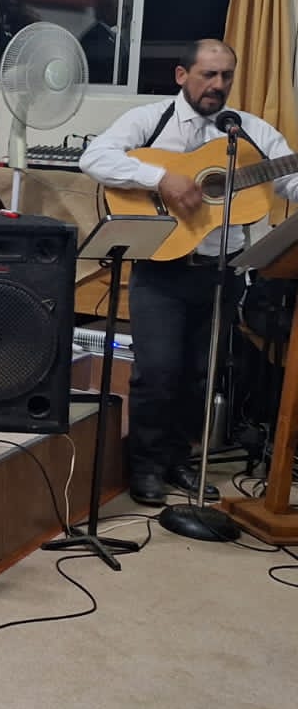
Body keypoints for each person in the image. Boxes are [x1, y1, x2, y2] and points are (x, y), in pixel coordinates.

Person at [80, 39, 298, 505]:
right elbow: (94, 158)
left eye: (226, 76)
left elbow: (288, 179)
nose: (218, 85)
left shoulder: (250, 132)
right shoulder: (151, 119)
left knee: (202, 374)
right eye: (208, 75)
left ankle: (179, 459)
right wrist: (160, 178)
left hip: (221, 272)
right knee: (157, 372)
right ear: (182, 75)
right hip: (161, 269)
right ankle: (145, 467)